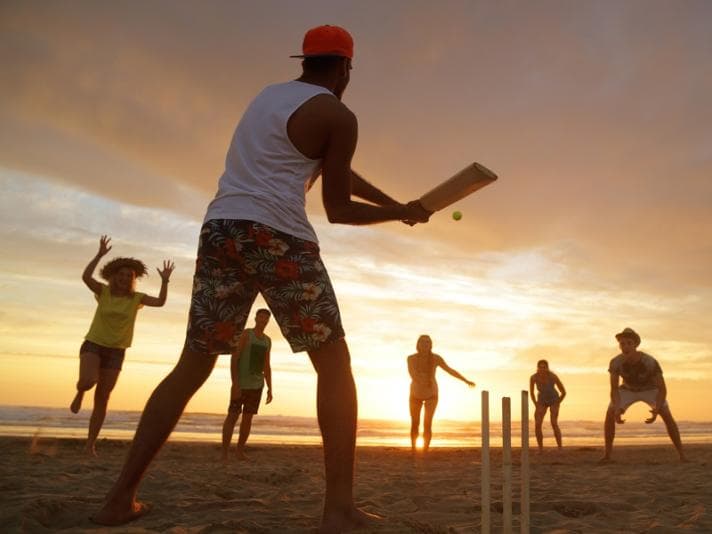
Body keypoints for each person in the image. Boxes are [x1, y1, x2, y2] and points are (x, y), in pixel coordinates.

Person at [93, 25, 431, 530]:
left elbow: (331, 168)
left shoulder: (268, 98)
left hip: (221, 228)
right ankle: (338, 509)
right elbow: (337, 207)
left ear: (306, 60)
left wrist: (397, 205)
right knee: (334, 364)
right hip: (278, 235)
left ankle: (119, 499)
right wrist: (394, 215)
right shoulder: (338, 114)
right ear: (345, 69)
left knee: (193, 365)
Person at [71, 235, 174, 456]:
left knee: (103, 398)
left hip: (117, 351)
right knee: (89, 381)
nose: (125, 278)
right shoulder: (104, 292)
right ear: (114, 277)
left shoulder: (137, 298)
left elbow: (160, 302)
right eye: (122, 274)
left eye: (130, 276)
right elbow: (85, 276)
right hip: (94, 344)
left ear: (133, 279)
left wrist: (165, 281)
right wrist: (99, 255)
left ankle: (90, 444)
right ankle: (80, 391)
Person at [601, 327, 687, 462]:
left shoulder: (650, 362)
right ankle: (607, 455)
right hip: (628, 389)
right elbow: (614, 389)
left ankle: (682, 455)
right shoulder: (616, 362)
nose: (626, 346)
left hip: (650, 389)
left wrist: (657, 408)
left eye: (629, 343)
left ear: (635, 344)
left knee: (667, 414)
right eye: (622, 343)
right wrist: (617, 408)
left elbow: (662, 389)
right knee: (610, 413)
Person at [221, 308, 273, 462]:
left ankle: (239, 451)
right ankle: (224, 452)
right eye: (260, 318)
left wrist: (270, 387)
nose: (263, 321)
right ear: (256, 318)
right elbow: (234, 358)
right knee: (232, 416)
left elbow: (266, 365)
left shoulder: (267, 340)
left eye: (266, 319)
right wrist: (235, 384)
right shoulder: (246, 334)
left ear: (268, 321)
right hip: (241, 384)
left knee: (247, 419)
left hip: (257, 385)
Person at [408, 335, 475, 453]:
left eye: (427, 342)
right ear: (418, 344)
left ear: (431, 345)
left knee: (427, 424)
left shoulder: (436, 358)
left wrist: (465, 380)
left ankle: (425, 451)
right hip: (415, 394)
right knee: (415, 423)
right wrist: (422, 380)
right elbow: (412, 374)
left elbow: (450, 370)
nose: (425, 344)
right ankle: (414, 450)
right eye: (422, 342)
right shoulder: (411, 358)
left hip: (431, 395)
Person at [529, 359, 566, 453]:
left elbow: (563, 392)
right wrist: (535, 403)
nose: (542, 369)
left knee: (553, 423)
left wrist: (558, 402)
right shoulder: (534, 377)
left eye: (544, 367)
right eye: (540, 367)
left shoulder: (553, 376)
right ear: (537, 368)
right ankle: (540, 449)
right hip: (541, 400)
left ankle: (560, 448)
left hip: (554, 399)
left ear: (547, 368)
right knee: (537, 424)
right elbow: (532, 392)